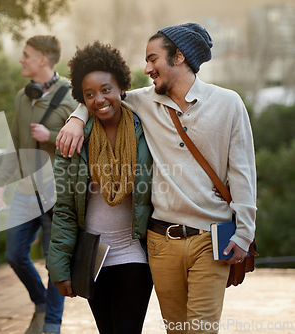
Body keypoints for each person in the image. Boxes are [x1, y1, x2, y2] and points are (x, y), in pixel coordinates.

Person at [56, 23, 257, 334]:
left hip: (212, 237)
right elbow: (102, 95)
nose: (147, 68)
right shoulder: (143, 101)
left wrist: (244, 233)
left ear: (178, 57)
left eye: (153, 59)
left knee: (201, 329)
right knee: (175, 329)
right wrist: (75, 118)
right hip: (160, 242)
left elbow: (243, 173)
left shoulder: (228, 103)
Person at [47, 41, 154, 334]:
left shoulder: (146, 128)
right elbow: (66, 208)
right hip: (92, 257)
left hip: (134, 254)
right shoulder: (74, 140)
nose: (99, 99)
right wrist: (59, 268)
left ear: (121, 86)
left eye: (106, 89)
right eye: (89, 94)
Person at [0, 35, 78, 334]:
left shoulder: (72, 96)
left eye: (26, 55)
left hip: (58, 194)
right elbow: (15, 143)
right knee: (14, 254)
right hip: (26, 193)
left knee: (56, 263)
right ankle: (41, 303)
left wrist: (50, 136)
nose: (21, 59)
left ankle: (51, 324)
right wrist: (1, 181)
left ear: (43, 59)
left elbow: (87, 143)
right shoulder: (21, 97)